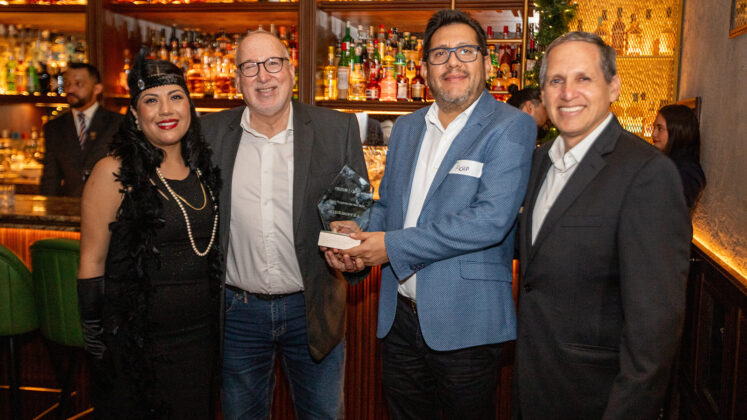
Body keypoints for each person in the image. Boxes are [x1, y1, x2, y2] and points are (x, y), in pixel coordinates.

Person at [326, 10, 535, 418]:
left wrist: (389, 246)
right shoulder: (406, 127)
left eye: (465, 51)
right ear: (423, 69)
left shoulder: (511, 126)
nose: (453, 62)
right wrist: (357, 233)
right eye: (440, 54)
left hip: (468, 322)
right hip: (399, 320)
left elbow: (489, 220)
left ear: (487, 63)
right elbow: (389, 206)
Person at [514, 31, 692, 419]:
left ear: (613, 87)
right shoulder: (539, 161)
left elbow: (654, 333)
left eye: (583, 78)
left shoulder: (647, 173)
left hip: (595, 399)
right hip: (534, 385)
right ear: (542, 93)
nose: (567, 93)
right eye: (556, 81)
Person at [200, 31, 368, 419]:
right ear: (237, 78)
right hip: (237, 314)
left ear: (290, 70)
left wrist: (350, 245)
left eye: (273, 63)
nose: (263, 76)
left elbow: (354, 211)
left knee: (323, 414)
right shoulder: (208, 134)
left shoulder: (335, 129)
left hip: (311, 307)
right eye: (250, 67)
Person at [77, 54, 221, 419]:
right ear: (136, 115)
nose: (165, 110)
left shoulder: (203, 170)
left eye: (176, 96)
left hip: (200, 342)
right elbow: (91, 262)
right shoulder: (113, 172)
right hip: (138, 348)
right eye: (151, 100)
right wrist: (96, 343)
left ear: (190, 105)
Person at [40, 62, 123, 197]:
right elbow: (50, 178)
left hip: (109, 207)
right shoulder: (54, 127)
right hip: (69, 207)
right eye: (67, 84)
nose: (70, 89)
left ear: (97, 89)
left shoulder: (118, 123)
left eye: (79, 84)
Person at [652, 104, 706, 210]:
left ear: (677, 131)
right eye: (654, 127)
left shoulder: (686, 172)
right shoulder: (670, 163)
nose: (653, 134)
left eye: (660, 128)